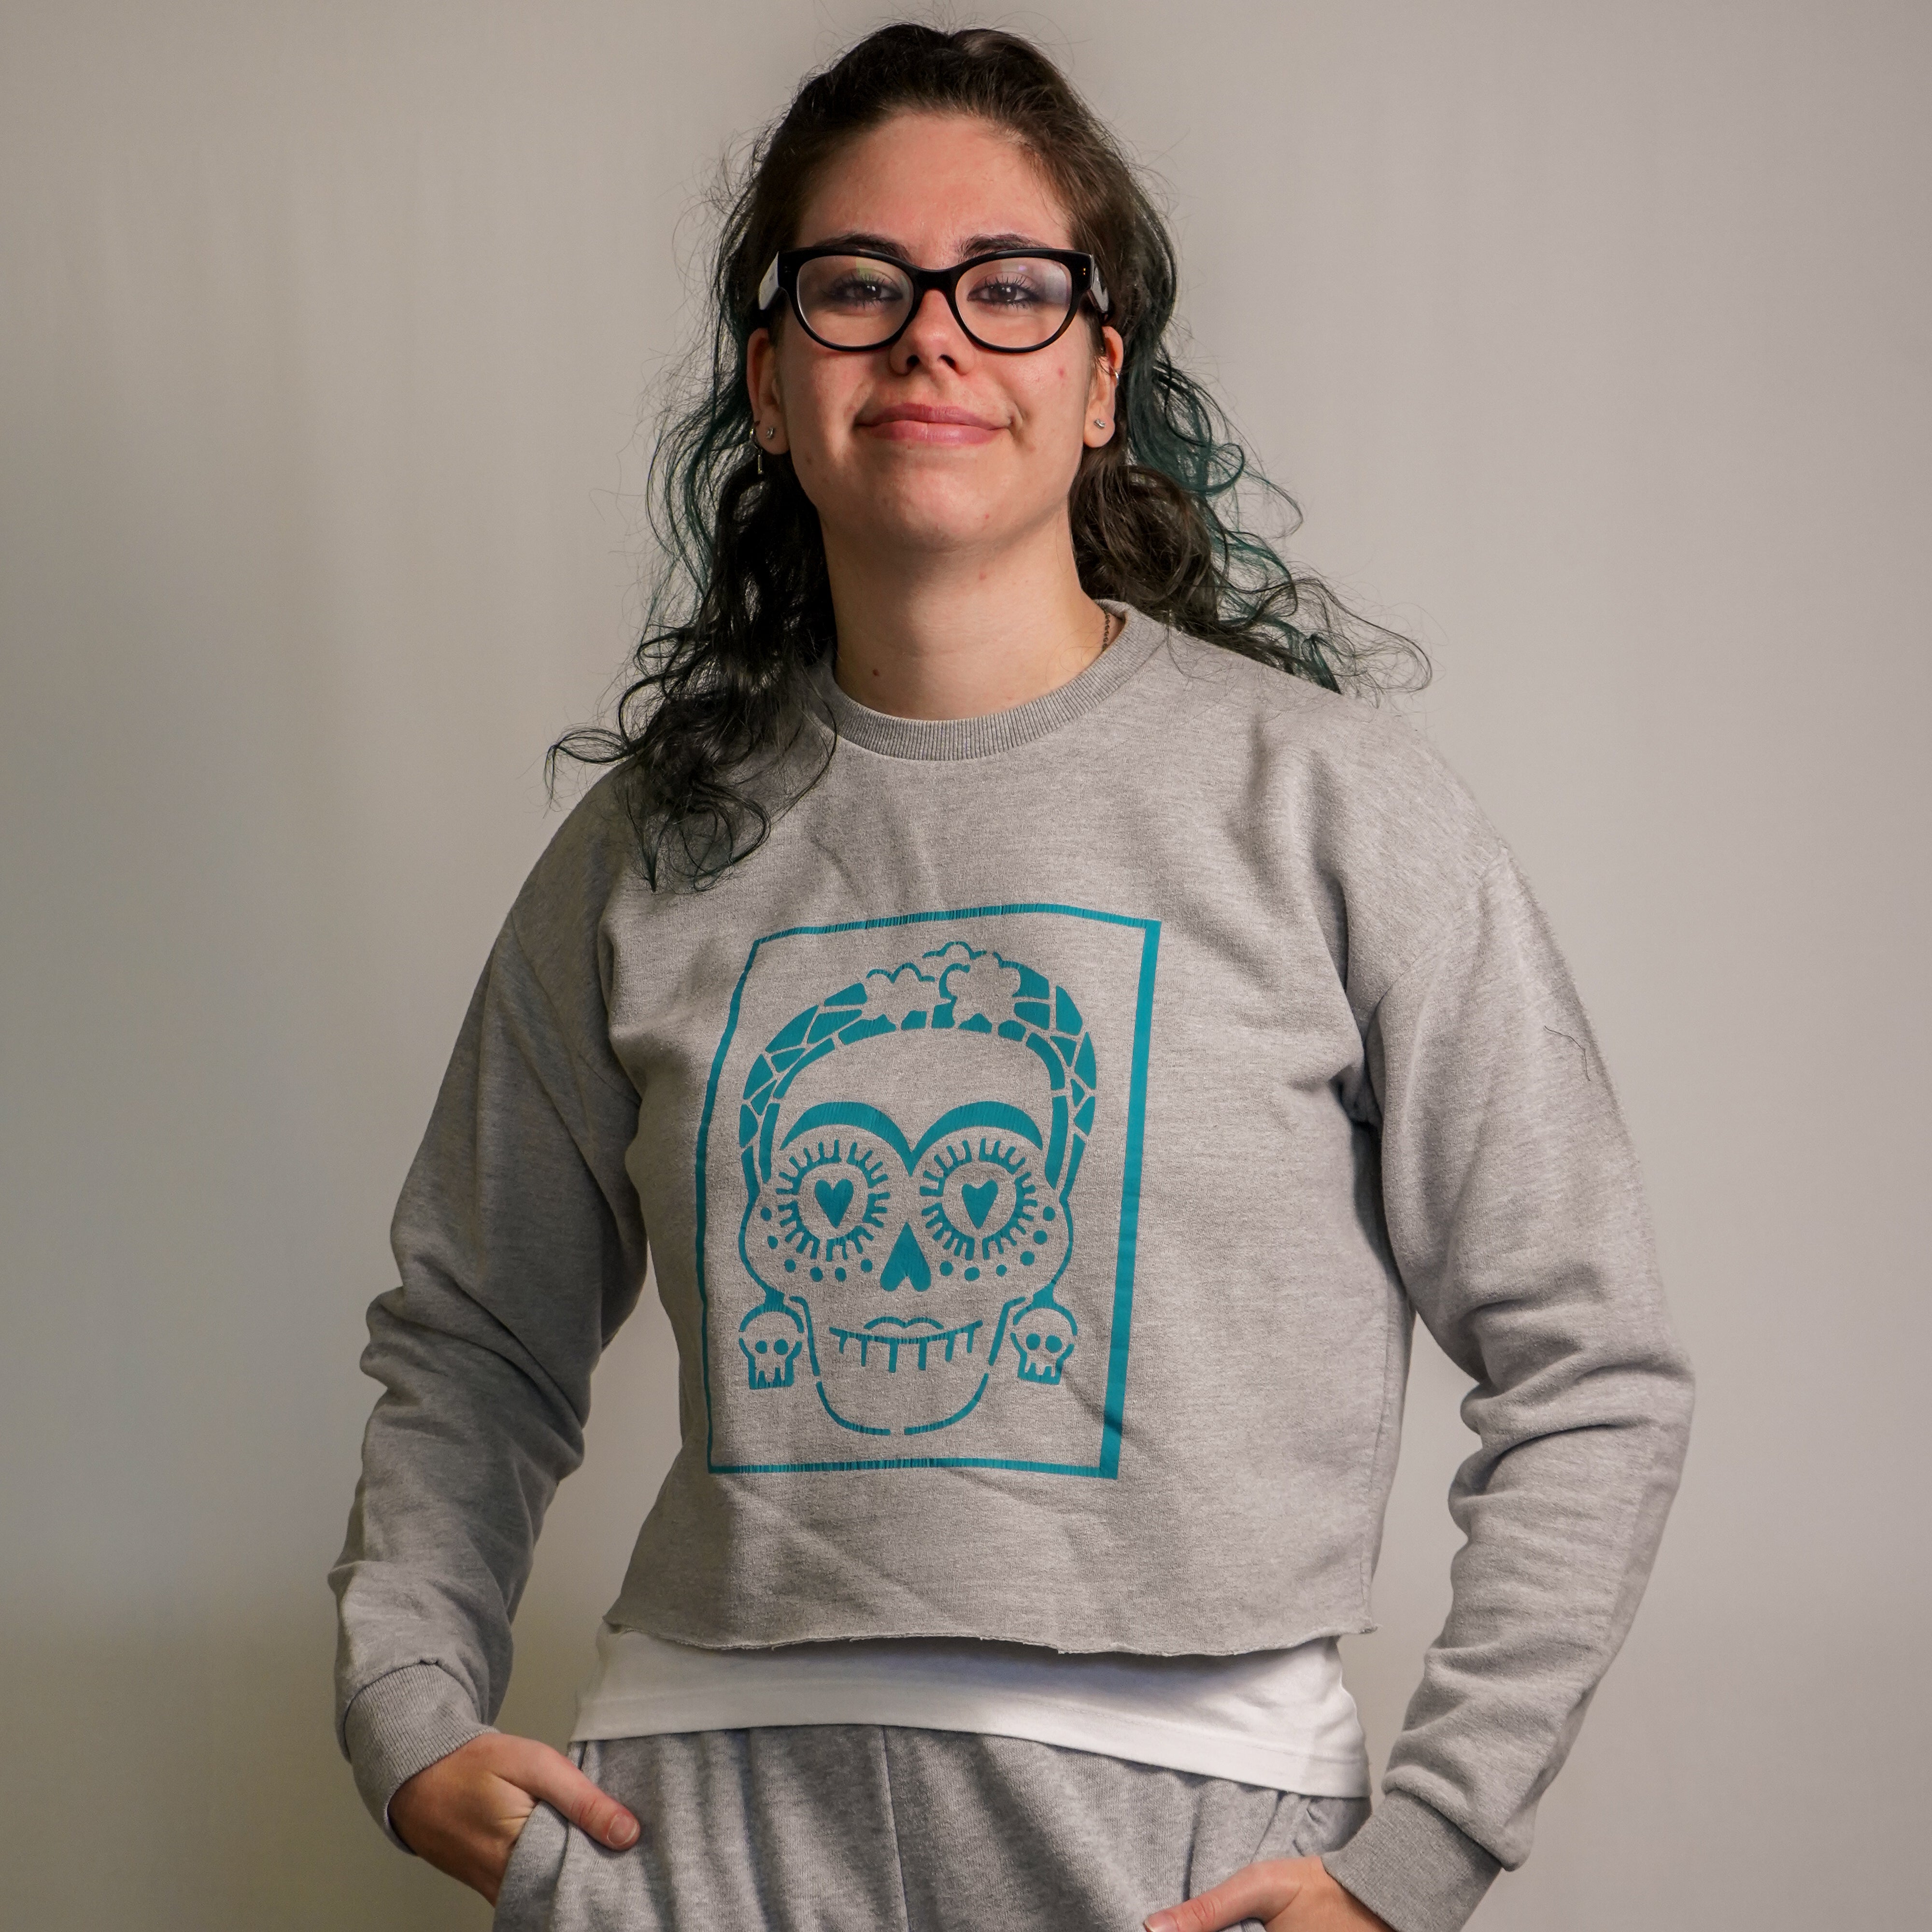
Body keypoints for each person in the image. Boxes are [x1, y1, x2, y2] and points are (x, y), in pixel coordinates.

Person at [330, 25, 1693, 1932]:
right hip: (695, 1840)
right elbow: (475, 1333)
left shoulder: (1329, 806)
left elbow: (1591, 1366)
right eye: (857, 285)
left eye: (1010, 286)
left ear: (1099, 376)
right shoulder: (648, 849)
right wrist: (405, 1705)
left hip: (1191, 1845)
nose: (931, 339)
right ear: (771, 379)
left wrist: (1421, 1857)